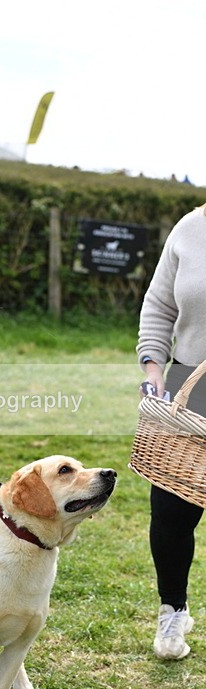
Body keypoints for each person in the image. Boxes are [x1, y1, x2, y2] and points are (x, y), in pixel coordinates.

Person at [137, 203, 206, 660]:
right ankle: (173, 610)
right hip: (190, 386)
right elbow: (159, 305)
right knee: (171, 513)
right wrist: (153, 368)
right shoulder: (190, 227)